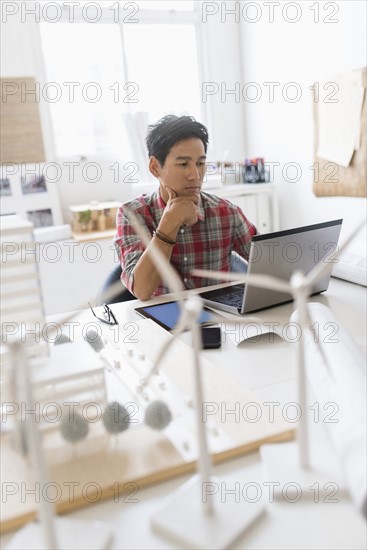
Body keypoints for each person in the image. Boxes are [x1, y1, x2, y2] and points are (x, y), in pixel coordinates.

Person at [114, 115, 257, 301]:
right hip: (162, 325)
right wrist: (169, 225)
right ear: (155, 167)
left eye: (200, 163)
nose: (195, 175)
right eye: (183, 164)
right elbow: (141, 289)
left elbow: (268, 262)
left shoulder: (226, 212)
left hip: (219, 323)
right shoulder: (131, 215)